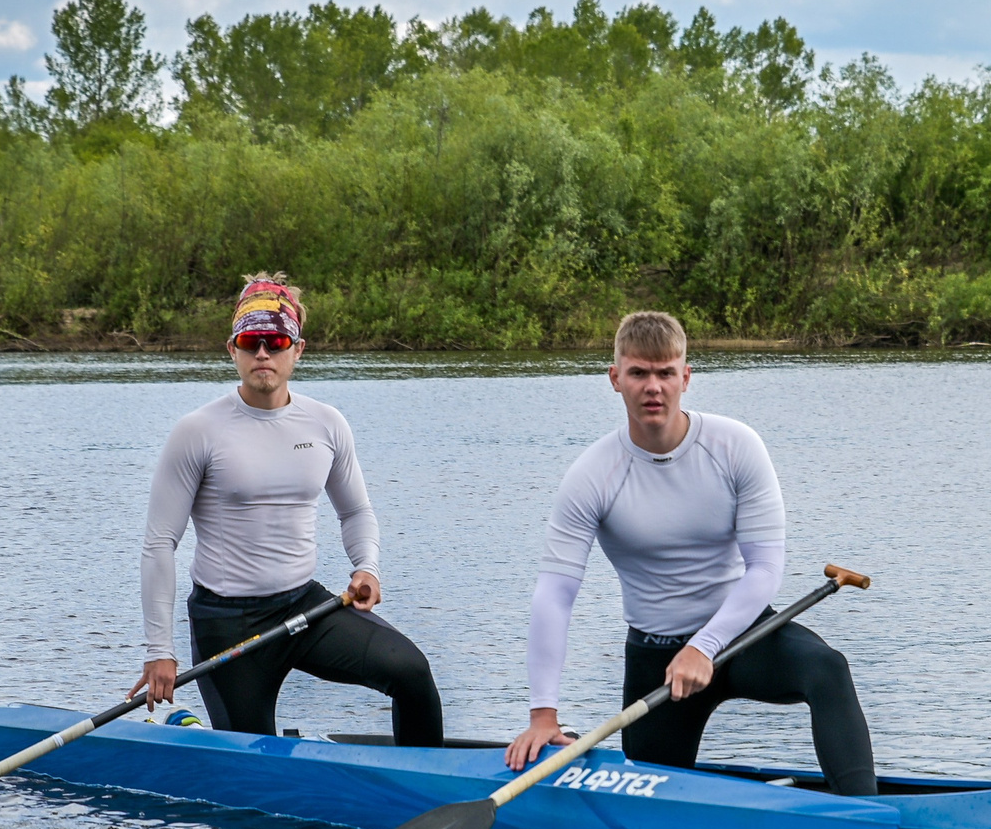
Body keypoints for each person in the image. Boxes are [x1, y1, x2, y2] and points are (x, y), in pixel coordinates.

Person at [504, 310, 875, 793]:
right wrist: (542, 714)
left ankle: (864, 815)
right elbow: (555, 594)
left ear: (686, 376)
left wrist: (704, 645)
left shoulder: (735, 446)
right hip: (657, 659)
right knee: (651, 794)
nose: (652, 387)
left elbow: (764, 568)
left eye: (664, 373)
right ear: (615, 379)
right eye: (638, 373)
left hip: (743, 635)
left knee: (827, 669)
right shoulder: (592, 474)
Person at [130, 275, 443, 744]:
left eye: (275, 342)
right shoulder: (197, 431)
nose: (262, 354)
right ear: (231, 349)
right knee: (253, 767)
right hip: (227, 624)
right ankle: (194, 731)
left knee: (412, 674)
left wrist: (367, 568)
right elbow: (159, 544)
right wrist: (160, 651)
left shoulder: (326, 423)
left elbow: (355, 511)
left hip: (307, 609)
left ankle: (428, 792)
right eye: (251, 342)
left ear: (297, 349)